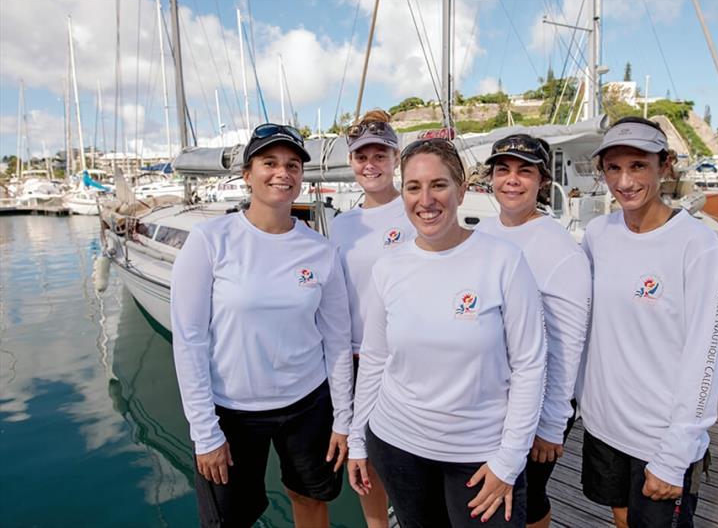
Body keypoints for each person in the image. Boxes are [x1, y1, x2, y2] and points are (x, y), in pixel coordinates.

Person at [347, 137, 547, 527]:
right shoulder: (388, 268)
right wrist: (358, 438)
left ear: (461, 189)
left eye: (438, 185)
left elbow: (530, 365)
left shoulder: (503, 261)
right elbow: (374, 359)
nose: (426, 199)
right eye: (413, 187)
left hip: (480, 456)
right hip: (398, 446)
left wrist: (509, 460)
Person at [170, 123, 353, 527]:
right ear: (246, 174)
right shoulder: (210, 241)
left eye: (292, 165)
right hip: (232, 412)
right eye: (269, 162)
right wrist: (205, 432)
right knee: (229, 519)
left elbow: (337, 341)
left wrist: (344, 419)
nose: (282, 173)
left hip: (308, 405)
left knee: (311, 498)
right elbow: (189, 341)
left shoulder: (320, 250)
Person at [578, 117, 718, 528]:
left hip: (660, 438)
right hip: (604, 426)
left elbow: (706, 352)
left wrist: (677, 450)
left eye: (638, 166)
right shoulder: (597, 233)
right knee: (621, 520)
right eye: (613, 168)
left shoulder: (697, 245)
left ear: (665, 165)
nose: (624, 181)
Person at [476, 134, 592, 528]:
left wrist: (552, 423)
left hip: (538, 403)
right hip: (492, 397)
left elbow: (568, 342)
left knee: (527, 500)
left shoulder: (562, 251)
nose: (512, 180)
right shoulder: (484, 231)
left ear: (542, 181)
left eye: (524, 171)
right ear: (490, 177)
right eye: (503, 170)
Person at [329, 109, 413, 528]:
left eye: (380, 155)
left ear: (395, 158)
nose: (371, 165)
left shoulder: (416, 210)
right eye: (362, 157)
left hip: (408, 358)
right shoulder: (342, 225)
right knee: (365, 464)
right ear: (351, 163)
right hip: (360, 359)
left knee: (409, 456)